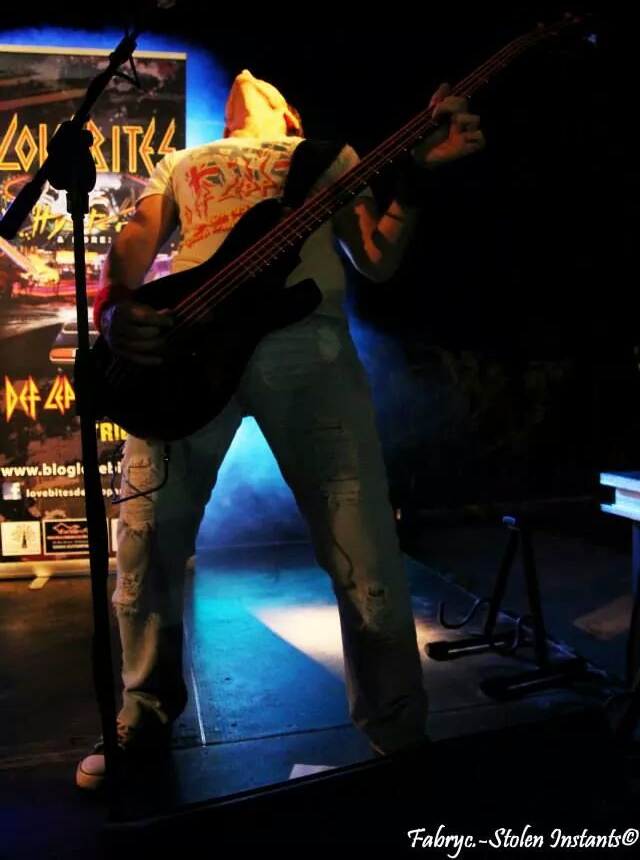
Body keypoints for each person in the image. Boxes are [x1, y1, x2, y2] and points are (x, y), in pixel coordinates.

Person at [76, 68, 485, 789]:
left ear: (289, 115)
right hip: (187, 351)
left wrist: (417, 181)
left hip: (308, 346)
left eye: (261, 80)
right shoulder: (182, 160)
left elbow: (377, 260)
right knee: (146, 540)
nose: (244, 75)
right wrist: (113, 306)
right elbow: (137, 239)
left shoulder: (327, 156)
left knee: (362, 547)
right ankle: (142, 714)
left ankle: (397, 732)